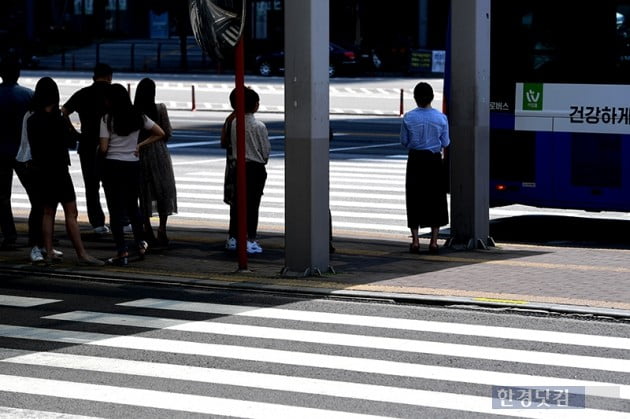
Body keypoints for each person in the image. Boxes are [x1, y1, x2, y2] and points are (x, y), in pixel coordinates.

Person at [26, 77, 103, 266]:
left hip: (42, 171)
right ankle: (81, 253)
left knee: (48, 212)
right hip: (60, 170)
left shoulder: (32, 119)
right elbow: (70, 141)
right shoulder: (58, 120)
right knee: (71, 212)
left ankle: (49, 250)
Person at [99, 83, 165, 266]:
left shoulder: (107, 119)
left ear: (111, 101)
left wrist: (99, 150)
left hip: (113, 166)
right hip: (132, 166)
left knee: (115, 210)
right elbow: (160, 133)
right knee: (133, 207)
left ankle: (122, 252)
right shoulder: (138, 116)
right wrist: (139, 146)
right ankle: (140, 243)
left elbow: (104, 149)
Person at [61, 63, 112, 235]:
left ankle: (97, 223)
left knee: (91, 186)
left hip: (87, 144)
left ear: (93, 77)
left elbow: (63, 111)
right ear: (110, 77)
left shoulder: (83, 93)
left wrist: (73, 132)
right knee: (113, 185)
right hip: (112, 145)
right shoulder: (114, 93)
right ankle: (122, 220)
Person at [400, 82, 450, 254]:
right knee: (435, 199)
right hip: (434, 161)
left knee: (414, 198)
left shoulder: (408, 117)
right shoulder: (441, 118)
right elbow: (445, 142)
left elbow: (404, 142)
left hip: (415, 160)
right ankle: (434, 242)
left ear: (415, 98)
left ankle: (415, 241)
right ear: (432, 97)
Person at [223, 87, 270, 254]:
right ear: (255, 105)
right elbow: (265, 151)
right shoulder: (259, 126)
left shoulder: (234, 122)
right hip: (255, 168)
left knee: (237, 204)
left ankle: (234, 238)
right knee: (252, 205)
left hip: (237, 167)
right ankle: (250, 239)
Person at [133, 77, 177, 246]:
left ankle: (147, 228)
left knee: (144, 192)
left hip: (140, 154)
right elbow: (167, 133)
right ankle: (162, 229)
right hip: (159, 153)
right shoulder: (160, 108)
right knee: (163, 190)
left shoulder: (134, 111)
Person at [0, 56, 33, 249]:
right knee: (35, 193)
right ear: (18, 74)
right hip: (24, 151)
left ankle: (9, 234)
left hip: (0, 152)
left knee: (2, 196)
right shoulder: (28, 95)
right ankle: (36, 233)